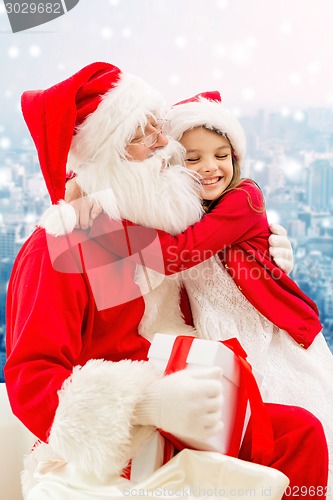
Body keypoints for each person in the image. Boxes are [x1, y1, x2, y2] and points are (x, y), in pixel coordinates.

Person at [4, 62, 328, 499]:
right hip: (121, 441)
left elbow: (204, 248)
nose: (165, 144)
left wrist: (264, 252)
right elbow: (32, 376)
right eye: (143, 134)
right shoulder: (62, 248)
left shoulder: (141, 228)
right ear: (106, 155)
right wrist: (146, 405)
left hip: (190, 403)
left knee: (300, 433)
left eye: (161, 127)